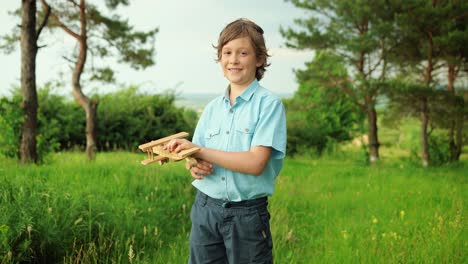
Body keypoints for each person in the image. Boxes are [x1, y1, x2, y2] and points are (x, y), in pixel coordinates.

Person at [164, 18, 287, 264]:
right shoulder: (211, 109)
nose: (234, 60)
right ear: (220, 59)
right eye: (227, 52)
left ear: (260, 59)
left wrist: (201, 151)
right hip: (205, 209)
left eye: (243, 53)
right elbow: (197, 157)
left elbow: (255, 163)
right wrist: (193, 164)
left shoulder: (269, 105)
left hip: (247, 215)